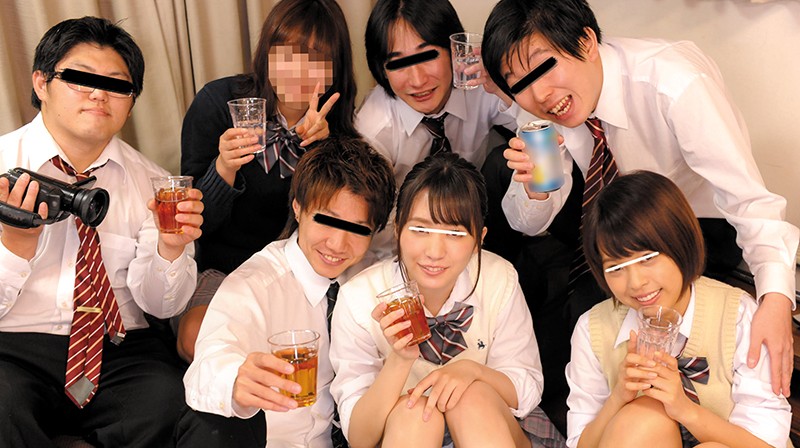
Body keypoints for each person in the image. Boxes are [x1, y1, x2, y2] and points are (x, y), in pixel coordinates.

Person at [481, 0, 799, 396]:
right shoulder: (541, 107)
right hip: (614, 222)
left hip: (696, 227)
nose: (539, 94)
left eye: (545, 67)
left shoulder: (675, 83)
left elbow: (748, 201)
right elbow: (529, 222)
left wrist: (776, 298)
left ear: (586, 42)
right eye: (518, 85)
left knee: (608, 320)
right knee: (566, 321)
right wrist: (534, 189)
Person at [0, 16, 202, 448]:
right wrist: (14, 247)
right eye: (81, 78)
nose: (99, 95)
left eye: (116, 85)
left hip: (117, 349)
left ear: (131, 100)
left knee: (164, 399)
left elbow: (162, 305)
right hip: (15, 346)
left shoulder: (153, 183)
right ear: (41, 82)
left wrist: (170, 249)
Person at [329, 154, 574, 448]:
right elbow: (361, 437)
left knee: (471, 394)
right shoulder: (359, 296)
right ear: (397, 229)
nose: (434, 251)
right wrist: (399, 359)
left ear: (479, 238)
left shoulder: (498, 277)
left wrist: (472, 373)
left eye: (455, 233)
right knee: (415, 411)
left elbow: (526, 387)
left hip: (490, 446)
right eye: (420, 229)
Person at [161, 136, 396, 448]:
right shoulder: (257, 282)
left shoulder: (367, 288)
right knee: (215, 426)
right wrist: (236, 380)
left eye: (358, 229)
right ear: (299, 207)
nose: (338, 242)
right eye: (326, 220)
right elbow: (209, 364)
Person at [565, 170, 799, 448]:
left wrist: (683, 408)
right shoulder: (593, 328)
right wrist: (620, 397)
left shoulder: (737, 313)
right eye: (616, 267)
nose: (636, 283)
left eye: (647, 258)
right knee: (641, 417)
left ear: (680, 242)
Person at [176, 0, 358, 362]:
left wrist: (324, 153)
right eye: (287, 54)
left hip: (300, 273)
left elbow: (341, 226)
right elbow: (194, 226)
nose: (298, 71)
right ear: (267, 55)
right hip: (224, 267)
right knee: (197, 341)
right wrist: (224, 168)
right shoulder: (220, 103)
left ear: (334, 69)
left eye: (316, 58)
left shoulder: (339, 129)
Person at [357, 0, 526, 259]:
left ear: (454, 49)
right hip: (407, 240)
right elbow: (375, 230)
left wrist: (502, 85)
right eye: (398, 64)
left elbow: (540, 127)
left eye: (427, 56)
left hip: (476, 220)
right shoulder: (373, 128)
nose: (418, 80)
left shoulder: (478, 85)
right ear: (382, 69)